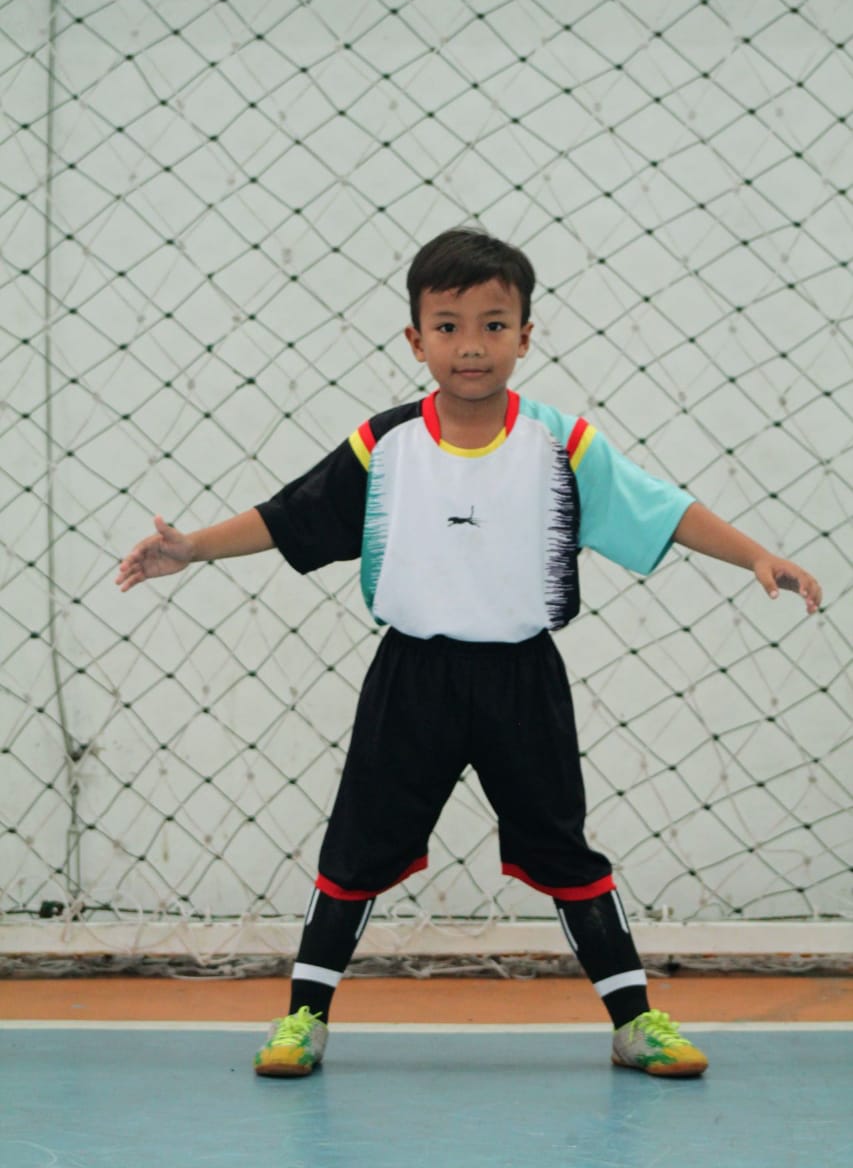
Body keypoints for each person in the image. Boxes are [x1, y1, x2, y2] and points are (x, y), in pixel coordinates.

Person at [116, 228, 822, 1081]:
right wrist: (192, 548)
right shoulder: (384, 444)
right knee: (355, 848)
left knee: (564, 851)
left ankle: (635, 1024)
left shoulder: (562, 443)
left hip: (523, 682)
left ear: (525, 335)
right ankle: (304, 1018)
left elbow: (661, 508)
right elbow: (288, 515)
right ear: (416, 340)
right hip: (409, 679)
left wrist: (754, 554)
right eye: (448, 327)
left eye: (493, 325)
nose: (471, 345)